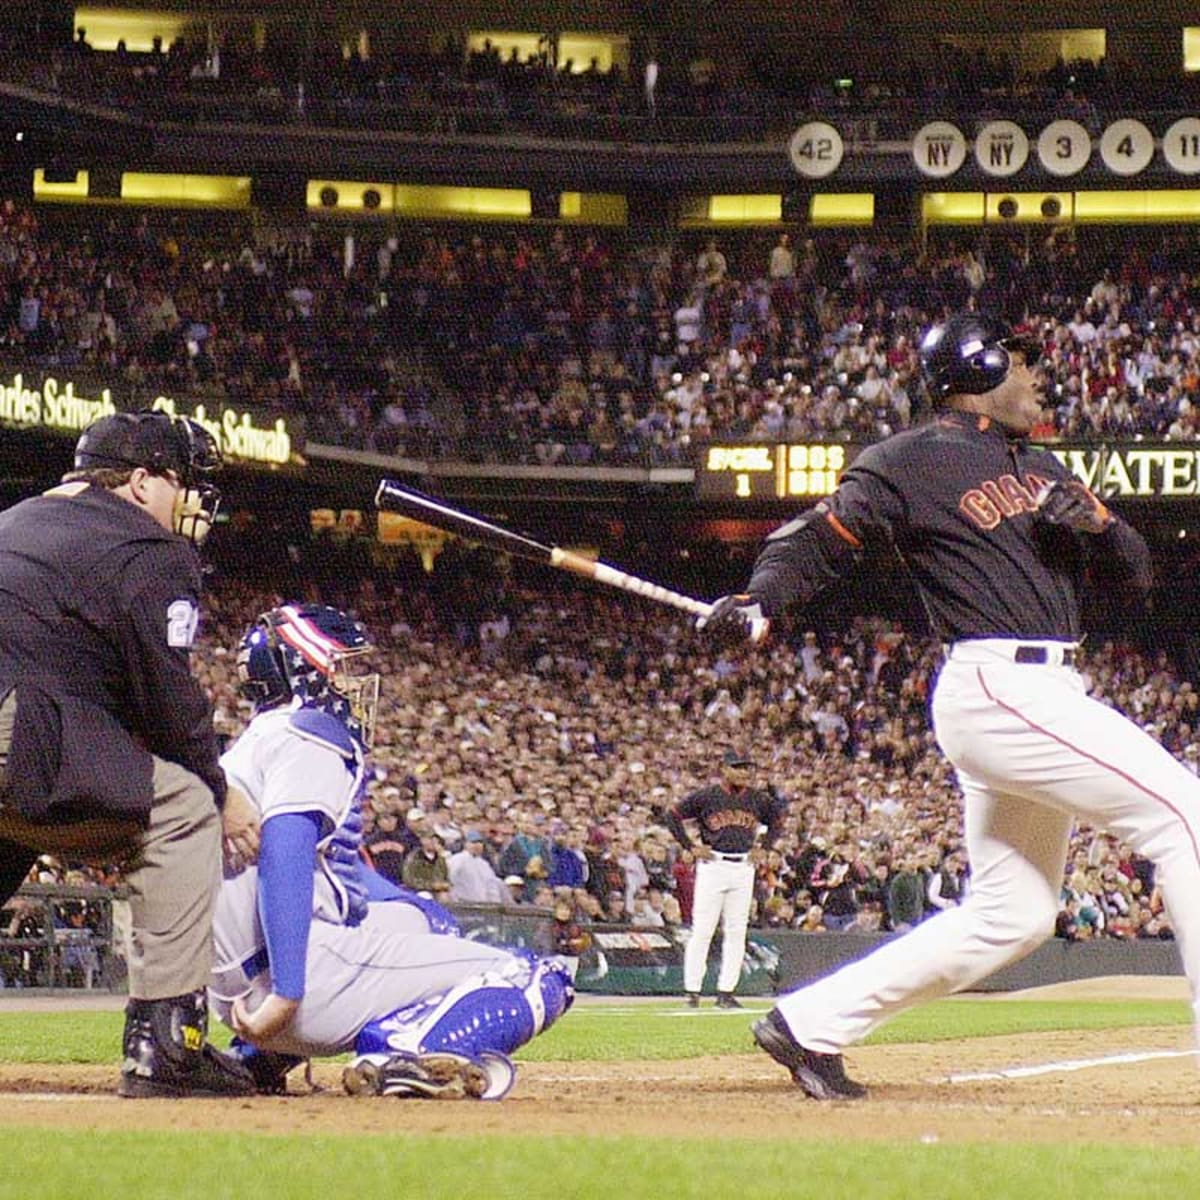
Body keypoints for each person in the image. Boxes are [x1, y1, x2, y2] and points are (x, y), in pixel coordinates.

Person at [697, 311, 1200, 1101]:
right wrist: (761, 599)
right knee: (1183, 815)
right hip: (998, 683)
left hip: (1047, 686)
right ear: (978, 368)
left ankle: (809, 1023)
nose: (1038, 377)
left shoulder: (1044, 468)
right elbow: (817, 537)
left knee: (1016, 914)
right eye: (1023, 362)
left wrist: (1102, 525)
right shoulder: (907, 460)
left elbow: (1138, 574)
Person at [211, 603, 573, 1099]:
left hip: (237, 979)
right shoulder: (311, 733)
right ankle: (409, 1050)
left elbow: (331, 870)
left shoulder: (251, 745)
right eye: (343, 666)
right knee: (535, 973)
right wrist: (288, 991)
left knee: (427, 919)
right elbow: (285, 850)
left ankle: (256, 1060)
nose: (353, 682)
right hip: (291, 980)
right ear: (307, 668)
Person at [0, 409, 259, 1097]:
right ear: (142, 481)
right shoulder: (148, 548)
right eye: (182, 482)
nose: (191, 501)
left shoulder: (15, 520)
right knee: (182, 809)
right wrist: (221, 790)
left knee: (18, 821)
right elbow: (168, 698)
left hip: (20, 730)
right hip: (17, 731)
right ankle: (166, 1043)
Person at [665, 748, 784, 1009]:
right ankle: (692, 991)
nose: (744, 772)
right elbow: (672, 816)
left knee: (736, 931)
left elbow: (778, 820)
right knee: (703, 930)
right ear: (725, 769)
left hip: (743, 867)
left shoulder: (757, 799)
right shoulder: (708, 796)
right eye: (738, 767)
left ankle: (726, 992)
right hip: (713, 864)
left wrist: (765, 847)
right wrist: (688, 845)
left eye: (747, 767)